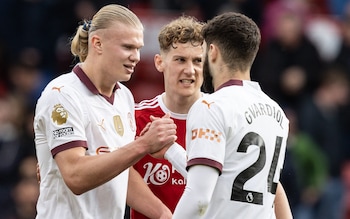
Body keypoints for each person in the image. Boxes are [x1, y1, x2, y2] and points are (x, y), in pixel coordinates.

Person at [33, 4, 177, 219]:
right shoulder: (62, 94)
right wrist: (143, 144)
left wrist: (164, 215)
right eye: (128, 47)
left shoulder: (124, 96)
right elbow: (76, 176)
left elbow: (121, 173)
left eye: (138, 48)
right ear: (97, 43)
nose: (136, 57)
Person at [154, 12, 292, 218]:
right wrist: (171, 151)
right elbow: (229, 178)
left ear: (212, 51)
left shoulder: (211, 106)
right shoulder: (277, 113)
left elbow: (199, 197)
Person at [130, 15, 205, 219]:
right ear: (159, 62)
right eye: (180, 59)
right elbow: (114, 172)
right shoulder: (137, 118)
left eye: (197, 61)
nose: (190, 70)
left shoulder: (221, 116)